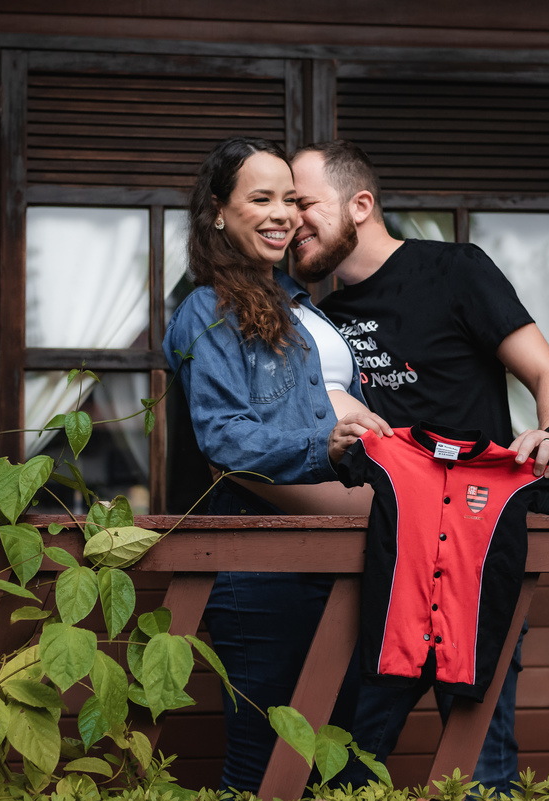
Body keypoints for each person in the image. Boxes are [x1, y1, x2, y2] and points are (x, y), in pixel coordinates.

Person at [289, 140, 549, 792]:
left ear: (360, 204)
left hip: (473, 558)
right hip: (375, 564)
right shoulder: (321, 319)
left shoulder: (455, 270)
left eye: (303, 201)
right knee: (343, 768)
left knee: (484, 765)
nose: (291, 220)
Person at [161, 136, 390, 792]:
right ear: (216, 213)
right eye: (260, 198)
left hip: (338, 556)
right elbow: (228, 444)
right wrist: (329, 449)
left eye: (290, 199)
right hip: (262, 568)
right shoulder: (207, 310)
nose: (282, 213)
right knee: (263, 764)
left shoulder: (297, 302)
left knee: (337, 757)